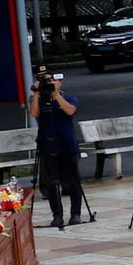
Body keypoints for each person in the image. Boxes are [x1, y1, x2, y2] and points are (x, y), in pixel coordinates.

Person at [32, 68, 88, 228]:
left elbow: (70, 110)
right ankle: (57, 215)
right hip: (47, 145)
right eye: (46, 81)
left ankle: (75, 213)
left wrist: (56, 95)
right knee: (51, 183)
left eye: (52, 80)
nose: (50, 83)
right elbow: (34, 113)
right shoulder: (41, 100)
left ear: (59, 82)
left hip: (67, 145)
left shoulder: (68, 97)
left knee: (73, 181)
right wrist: (36, 93)